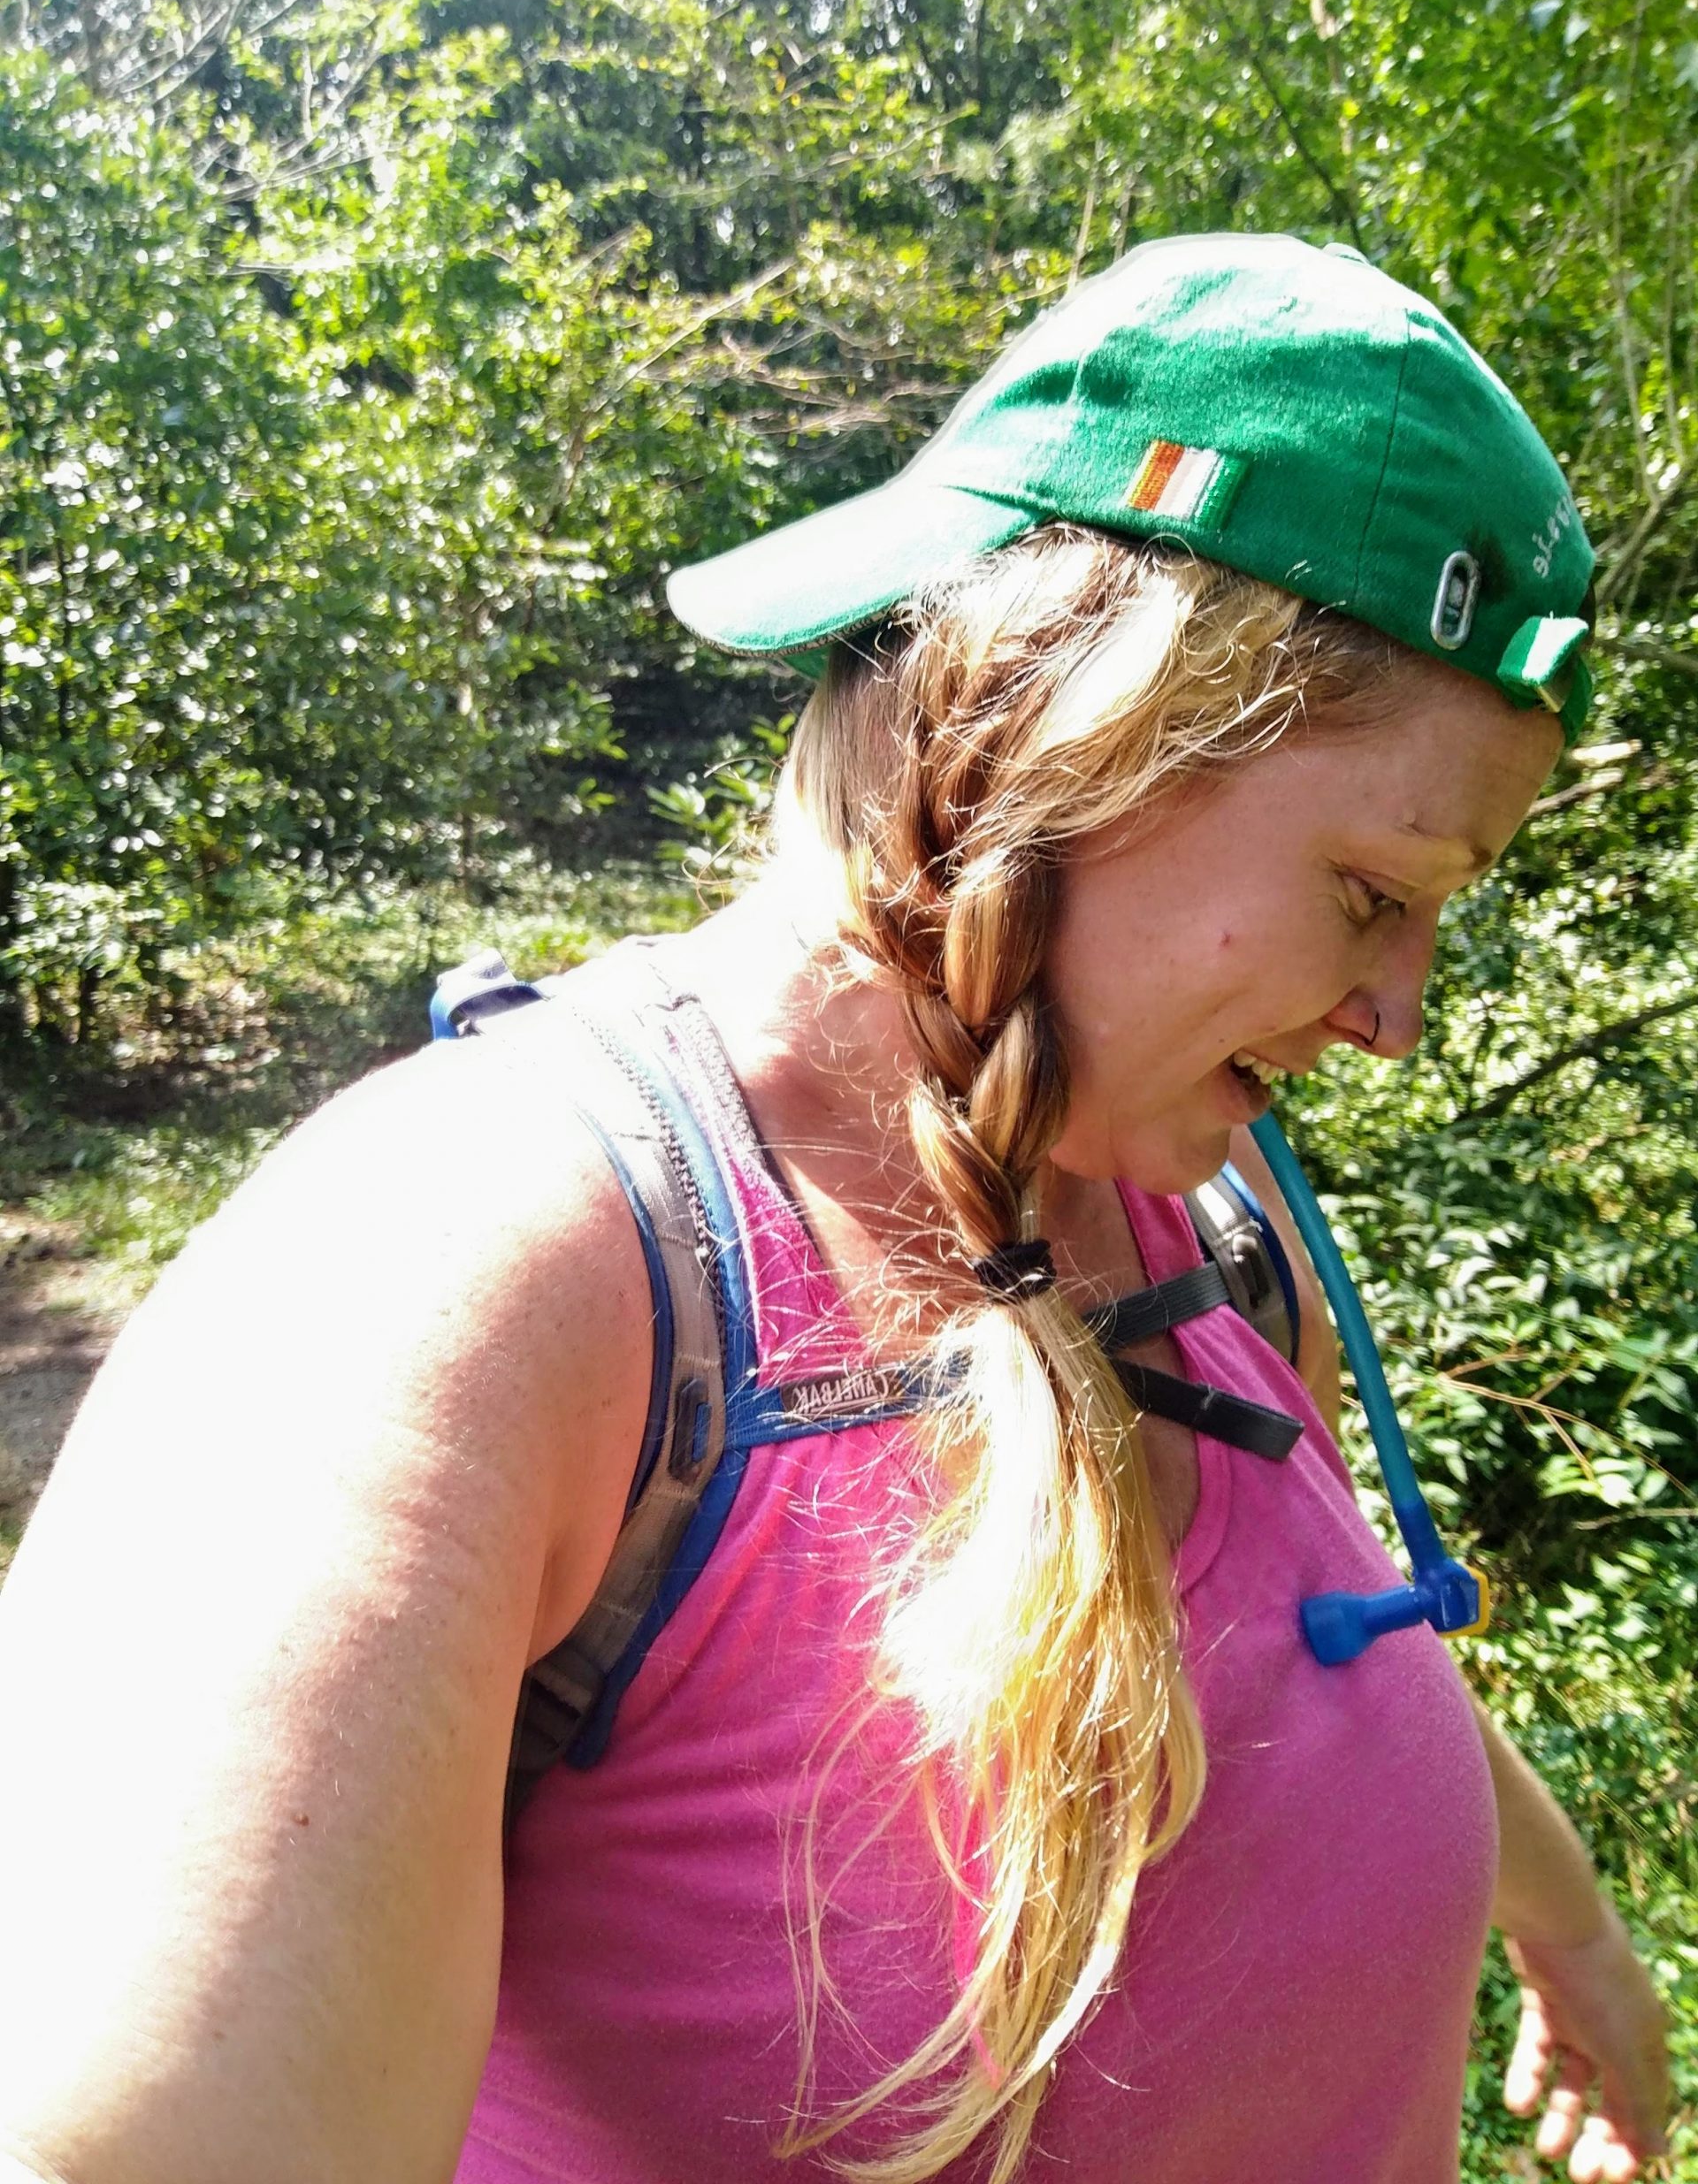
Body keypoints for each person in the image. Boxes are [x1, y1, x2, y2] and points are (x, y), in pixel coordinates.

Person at [0, 233, 1672, 2184]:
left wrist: (1570, 1925)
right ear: (1067, 726)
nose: (1398, 1018)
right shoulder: (471, 1274)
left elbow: (1300, 1640)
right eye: (1375, 893)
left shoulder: (1205, 1222)